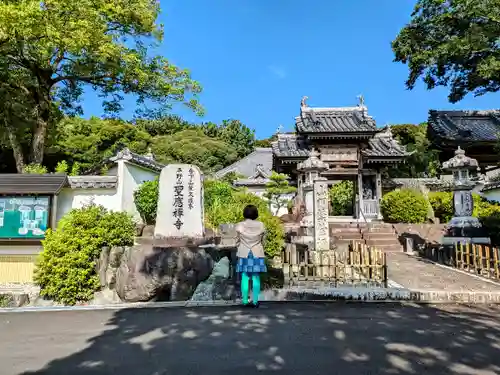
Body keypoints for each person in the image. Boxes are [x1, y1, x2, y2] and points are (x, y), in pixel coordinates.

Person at [235, 204, 267, 307]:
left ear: (244, 213)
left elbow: (237, 240)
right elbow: (264, 241)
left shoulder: (239, 225)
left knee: (244, 276)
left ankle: (244, 300)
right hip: (257, 252)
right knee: (256, 277)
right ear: (255, 214)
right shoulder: (261, 225)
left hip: (244, 253)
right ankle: (255, 301)